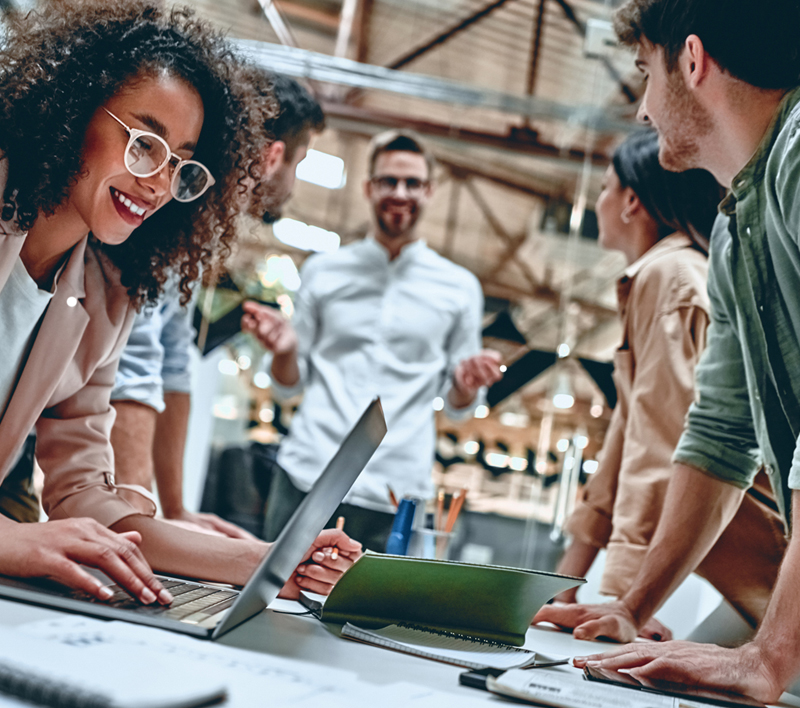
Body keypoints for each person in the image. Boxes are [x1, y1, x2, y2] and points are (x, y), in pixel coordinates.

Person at [0, 1, 359, 607]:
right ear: (71, 110)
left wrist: (270, 562)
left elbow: (87, 494)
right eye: (144, 143)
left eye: (181, 165)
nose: (158, 184)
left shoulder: (108, 294)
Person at [534, 0, 800, 700]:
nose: (644, 110)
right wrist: (630, 606)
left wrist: (768, 656)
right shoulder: (739, 229)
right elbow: (718, 436)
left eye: (645, 72)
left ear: (692, 59)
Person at [553, 130, 784, 641]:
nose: (598, 200)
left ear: (633, 200)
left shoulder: (670, 277)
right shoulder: (659, 277)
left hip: (765, 564)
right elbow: (624, 440)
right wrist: (564, 584)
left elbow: (661, 443)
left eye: (606, 187)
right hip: (742, 567)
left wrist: (625, 602)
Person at [242, 130, 504, 551]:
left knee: (373, 617)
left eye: (413, 183)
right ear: (368, 188)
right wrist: (286, 351)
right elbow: (288, 383)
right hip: (309, 475)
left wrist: (466, 384)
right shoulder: (324, 271)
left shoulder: (460, 288)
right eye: (388, 181)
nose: (400, 193)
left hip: (396, 491)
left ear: (430, 191)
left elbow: (459, 409)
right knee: (275, 604)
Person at [109, 72, 325, 539]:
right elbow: (136, 361)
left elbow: (171, 363)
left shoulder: (202, 228)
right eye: (300, 162)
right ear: (273, 157)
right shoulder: (173, 206)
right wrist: (141, 524)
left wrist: (174, 510)